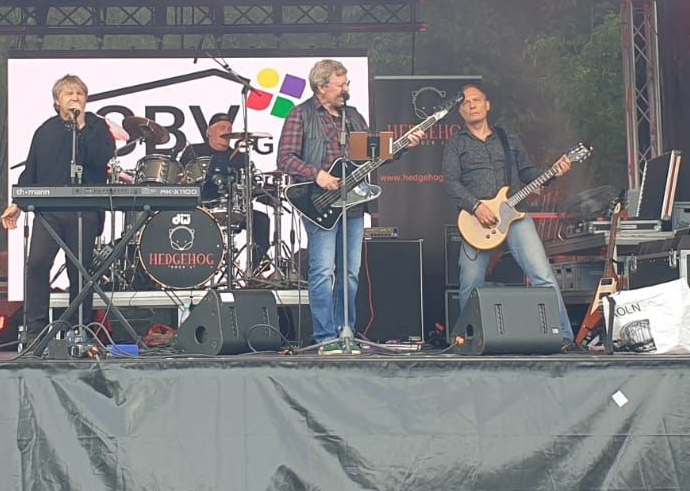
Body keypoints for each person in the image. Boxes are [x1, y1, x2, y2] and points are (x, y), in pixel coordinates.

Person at [277, 59, 421, 353]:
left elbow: (373, 155)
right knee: (322, 271)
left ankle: (346, 332)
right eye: (340, 84)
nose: (346, 89)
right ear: (321, 87)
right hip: (320, 203)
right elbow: (285, 158)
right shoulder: (300, 114)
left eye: (347, 83)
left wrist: (403, 146)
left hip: (354, 204)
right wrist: (317, 175)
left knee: (350, 272)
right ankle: (325, 337)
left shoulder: (353, 116)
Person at [442, 82, 572, 335]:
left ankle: (564, 335)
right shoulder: (455, 143)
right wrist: (476, 206)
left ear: (487, 105)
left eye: (476, 100)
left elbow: (527, 172)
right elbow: (450, 182)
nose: (471, 105)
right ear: (461, 112)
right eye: (465, 103)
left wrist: (553, 172)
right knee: (470, 281)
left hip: (515, 215)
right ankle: (468, 338)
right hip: (476, 221)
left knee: (542, 275)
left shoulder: (508, 138)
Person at [1, 74, 117, 341]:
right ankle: (36, 331)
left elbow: (101, 157)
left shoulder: (97, 126)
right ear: (57, 101)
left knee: (80, 272)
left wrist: (82, 125)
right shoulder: (45, 130)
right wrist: (18, 203)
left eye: (79, 94)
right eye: (68, 94)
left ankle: (79, 329)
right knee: (37, 264)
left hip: (84, 211)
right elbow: (31, 169)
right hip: (49, 212)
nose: (75, 97)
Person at [179, 111, 271, 267]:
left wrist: (264, 194)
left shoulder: (240, 157)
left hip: (233, 208)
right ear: (209, 131)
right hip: (199, 208)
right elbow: (180, 179)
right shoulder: (194, 151)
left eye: (229, 129)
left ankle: (255, 268)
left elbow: (249, 188)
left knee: (261, 220)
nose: (227, 132)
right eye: (222, 128)